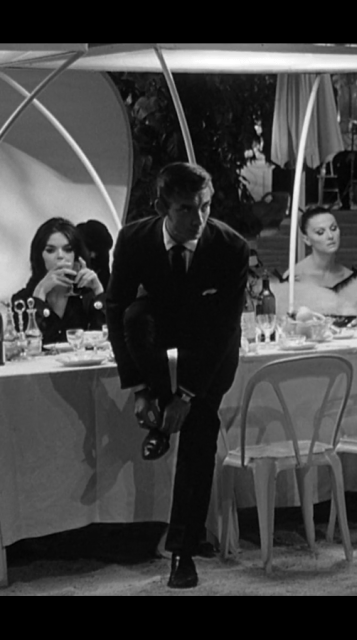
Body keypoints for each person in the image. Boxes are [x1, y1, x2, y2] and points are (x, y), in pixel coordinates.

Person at [105, 162, 249, 589]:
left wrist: (186, 395)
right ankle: (159, 413)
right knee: (135, 318)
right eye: (186, 209)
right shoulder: (134, 240)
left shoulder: (230, 246)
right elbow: (116, 310)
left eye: (205, 207)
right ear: (162, 208)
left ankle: (183, 551)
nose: (198, 219)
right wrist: (141, 390)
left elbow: (224, 330)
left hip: (211, 347)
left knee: (200, 431)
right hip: (157, 330)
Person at [11, 217, 106, 345]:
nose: (60, 256)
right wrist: (40, 294)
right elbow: (26, 346)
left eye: (68, 249)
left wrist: (98, 291)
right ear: (39, 257)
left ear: (76, 256)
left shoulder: (86, 297)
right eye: (50, 250)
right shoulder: (22, 301)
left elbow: (106, 340)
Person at [278, 205, 357, 318]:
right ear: (306, 239)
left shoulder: (355, 281)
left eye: (333, 228)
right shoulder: (294, 279)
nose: (330, 236)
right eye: (320, 232)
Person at [75, 219, 114, 290]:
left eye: (97, 253)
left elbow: (105, 282)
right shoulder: (73, 248)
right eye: (91, 251)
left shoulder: (102, 253)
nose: (93, 256)